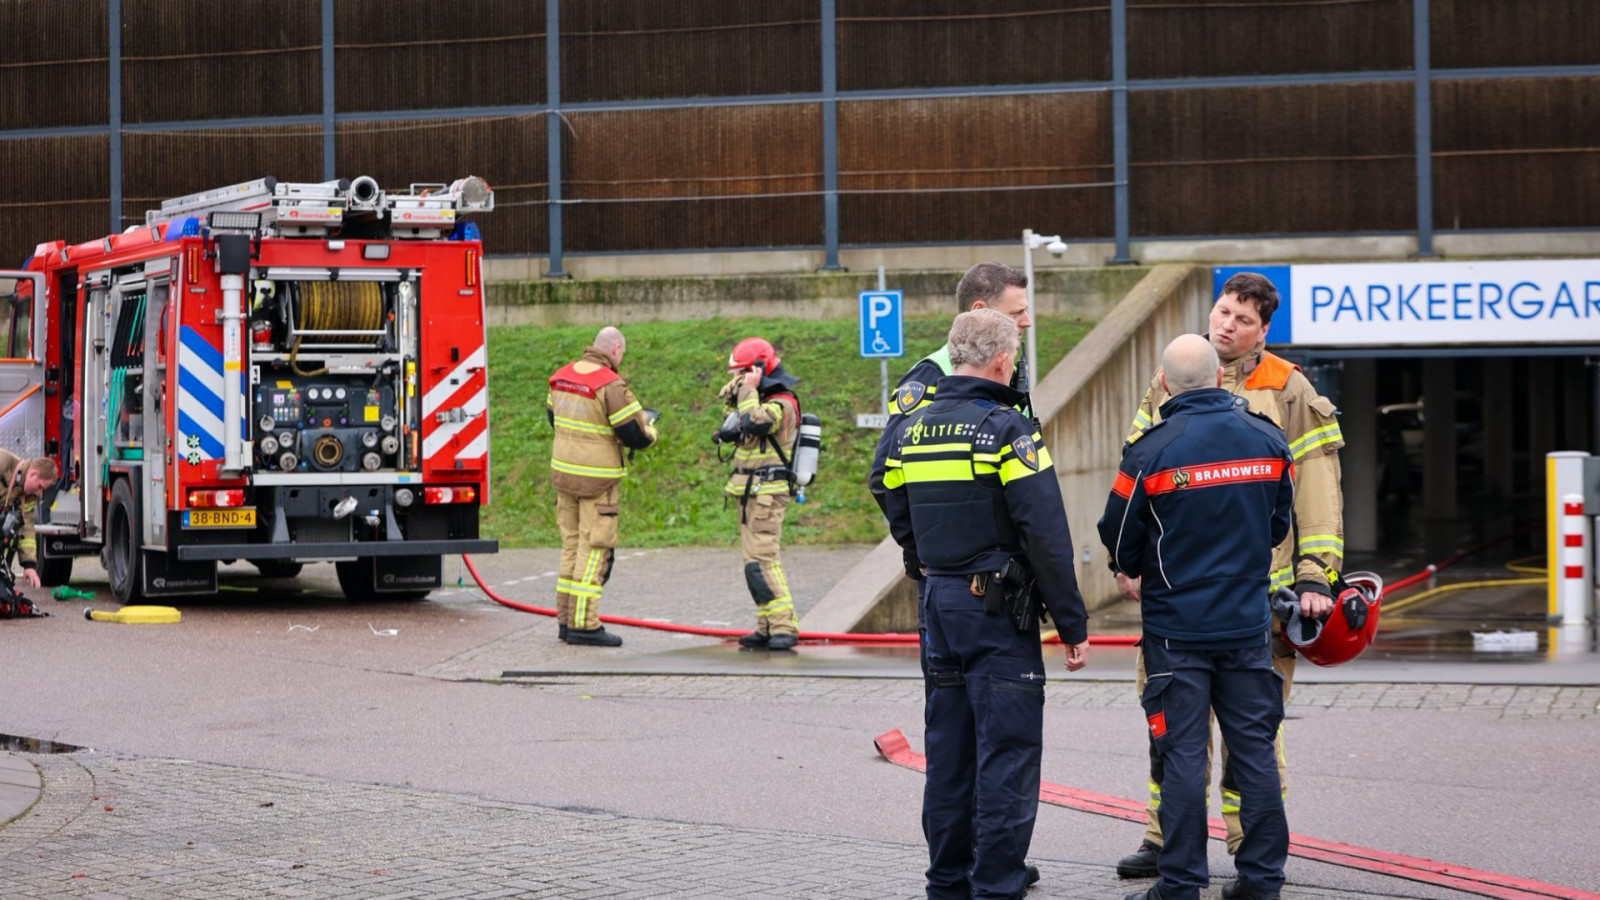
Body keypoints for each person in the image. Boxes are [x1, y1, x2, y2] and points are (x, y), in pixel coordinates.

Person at [1114, 272, 1344, 878]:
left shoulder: (1289, 390)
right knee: (1170, 732)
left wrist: (1317, 575)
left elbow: (1316, 490)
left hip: (1259, 599)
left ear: (1264, 330)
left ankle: (1249, 850)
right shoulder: (1171, 378)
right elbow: (1136, 477)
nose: (1226, 325)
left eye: (1242, 320)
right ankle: (1163, 841)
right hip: (1179, 594)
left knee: (1254, 740)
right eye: (1221, 312)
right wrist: (1133, 562)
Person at [881, 308, 1090, 900]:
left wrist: (919, 552)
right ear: (1003, 361)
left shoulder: (910, 428)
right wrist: (1070, 621)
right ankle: (997, 884)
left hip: (938, 605)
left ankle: (946, 881)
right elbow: (1044, 531)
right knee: (1007, 752)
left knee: (948, 752)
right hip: (995, 611)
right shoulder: (1005, 430)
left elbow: (884, 485)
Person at [1098, 334, 1296, 900]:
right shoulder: (1268, 439)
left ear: (1163, 384)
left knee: (1182, 756)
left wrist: (1134, 568)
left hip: (1175, 632)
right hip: (1246, 627)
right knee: (1254, 751)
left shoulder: (1152, 450)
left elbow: (1117, 532)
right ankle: (1261, 884)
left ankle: (1180, 884)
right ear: (1218, 379)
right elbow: (1279, 524)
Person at [869, 261, 1035, 518]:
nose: (1028, 321)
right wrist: (925, 547)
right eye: (1016, 313)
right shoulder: (930, 376)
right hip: (956, 554)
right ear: (979, 310)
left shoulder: (1006, 372)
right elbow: (885, 477)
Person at [546, 326, 658, 647]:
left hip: (564, 476)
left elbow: (555, 420)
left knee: (570, 546)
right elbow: (635, 434)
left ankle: (566, 622)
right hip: (598, 480)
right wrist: (651, 430)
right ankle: (585, 624)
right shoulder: (611, 385)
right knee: (594, 548)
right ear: (616, 349)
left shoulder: (560, 377)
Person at [716, 337, 804, 651]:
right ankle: (766, 626)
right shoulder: (755, 399)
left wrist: (748, 392)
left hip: (768, 493)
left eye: (742, 373)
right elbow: (738, 425)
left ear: (758, 369)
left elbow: (754, 422)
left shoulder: (782, 402)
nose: (737, 381)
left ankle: (784, 627)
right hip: (749, 492)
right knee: (753, 563)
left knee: (764, 560)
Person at [0, 452, 58, 589]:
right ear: (33, 474)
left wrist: (29, 565)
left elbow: (27, 527)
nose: (39, 493)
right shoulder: (4, 462)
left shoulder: (29, 496)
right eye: (39, 487)